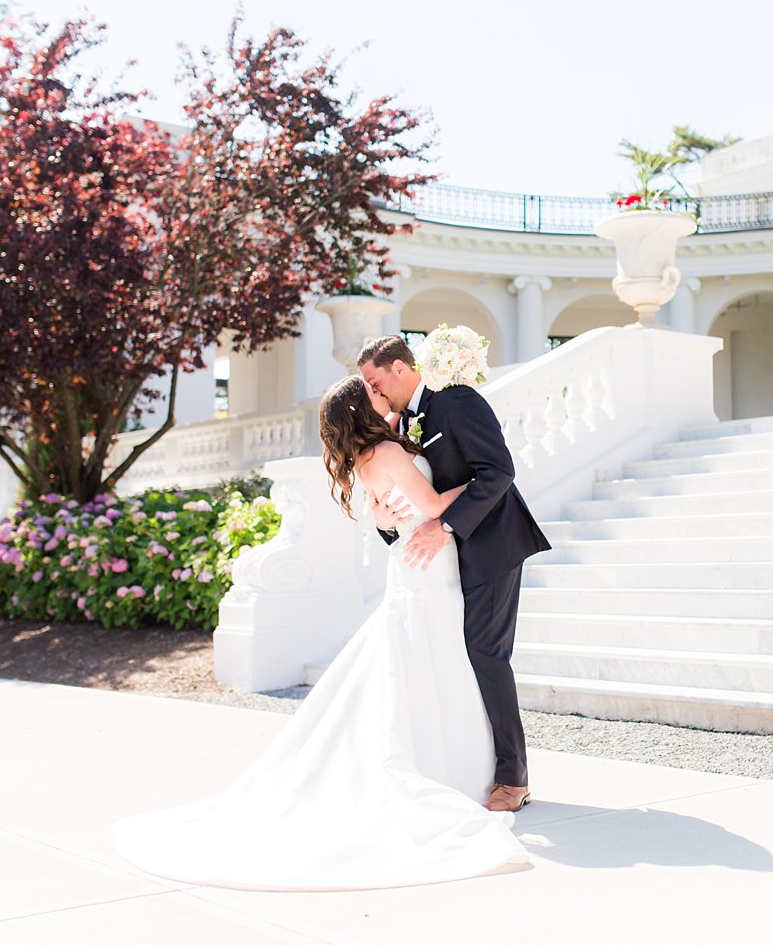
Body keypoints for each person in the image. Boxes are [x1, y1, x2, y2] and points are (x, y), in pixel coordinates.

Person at [112, 375, 529, 890]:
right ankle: (455, 769)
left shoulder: (366, 457)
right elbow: (436, 505)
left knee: (430, 663)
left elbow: (392, 513)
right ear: (365, 406)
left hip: (417, 568)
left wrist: (392, 509)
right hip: (428, 570)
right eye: (373, 392)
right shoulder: (387, 451)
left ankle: (454, 765)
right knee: (438, 661)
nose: (383, 394)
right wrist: (481, 481)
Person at [358, 335, 551, 812]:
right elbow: (402, 500)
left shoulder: (457, 400)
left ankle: (513, 777)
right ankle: (471, 765)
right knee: (460, 656)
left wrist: (444, 526)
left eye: (375, 380)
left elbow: (498, 472)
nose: (372, 391)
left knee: (487, 653)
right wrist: (388, 528)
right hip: (443, 563)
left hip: (492, 545)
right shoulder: (400, 424)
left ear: (401, 369)